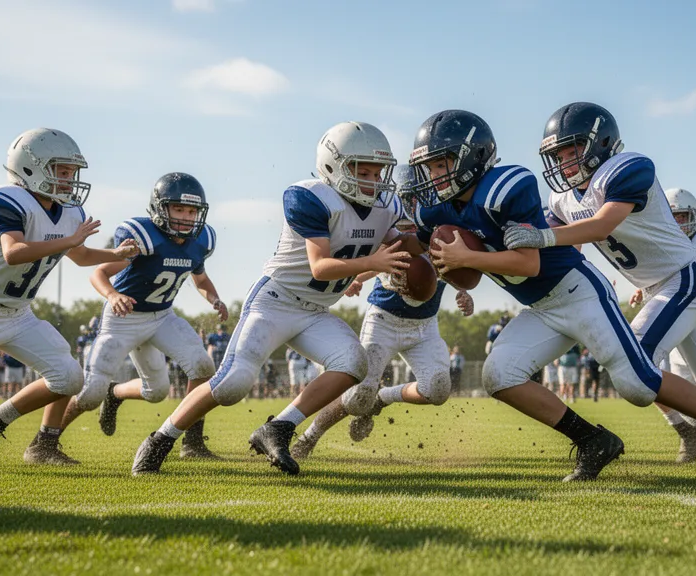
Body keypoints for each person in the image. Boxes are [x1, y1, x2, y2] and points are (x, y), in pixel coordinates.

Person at [415, 109, 696, 480]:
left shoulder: (507, 187)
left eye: (443, 163)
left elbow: (528, 264)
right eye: (430, 166)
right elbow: (424, 249)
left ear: (473, 156)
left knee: (638, 384)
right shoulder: (436, 208)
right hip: (541, 307)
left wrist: (469, 257)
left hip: (579, 293)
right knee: (499, 375)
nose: (435, 174)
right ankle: (592, 440)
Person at [505, 103, 696, 476]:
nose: (565, 162)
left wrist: (542, 236)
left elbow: (600, 225)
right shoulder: (561, 199)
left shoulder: (627, 168)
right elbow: (567, 248)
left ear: (602, 143)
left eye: (573, 150)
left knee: (634, 363)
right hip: (656, 288)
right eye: (558, 155)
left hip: (683, 278)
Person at [132, 121, 410, 476]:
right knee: (233, 383)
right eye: (362, 170)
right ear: (333, 165)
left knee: (353, 364)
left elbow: (404, 239)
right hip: (276, 301)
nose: (372, 180)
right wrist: (372, 263)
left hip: (315, 311)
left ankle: (278, 427)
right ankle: (161, 439)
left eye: (377, 171)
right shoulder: (311, 196)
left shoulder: (388, 204)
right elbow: (321, 267)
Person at [0, 127, 138, 469]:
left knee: (69, 377)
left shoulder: (68, 213)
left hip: (18, 315)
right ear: (31, 167)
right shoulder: (5, 199)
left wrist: (119, 254)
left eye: (72, 172)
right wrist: (68, 242)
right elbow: (14, 252)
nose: (69, 180)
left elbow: (79, 255)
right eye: (62, 171)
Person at [291, 168, 475, 458]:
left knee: (437, 389)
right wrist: (357, 278)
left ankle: (383, 398)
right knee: (355, 397)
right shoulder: (386, 229)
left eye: (418, 199)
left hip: (425, 326)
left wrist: (464, 293)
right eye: (408, 200)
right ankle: (309, 436)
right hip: (384, 320)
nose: (412, 209)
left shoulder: (439, 230)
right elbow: (375, 262)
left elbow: (453, 271)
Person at [61, 172, 226, 461]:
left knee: (188, 374)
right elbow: (98, 273)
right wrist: (113, 295)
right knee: (90, 394)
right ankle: (46, 439)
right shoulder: (141, 235)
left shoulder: (201, 239)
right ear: (161, 208)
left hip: (162, 317)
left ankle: (192, 441)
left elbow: (200, 278)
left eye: (192, 211)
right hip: (124, 318)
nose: (187, 217)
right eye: (179, 209)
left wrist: (215, 298)